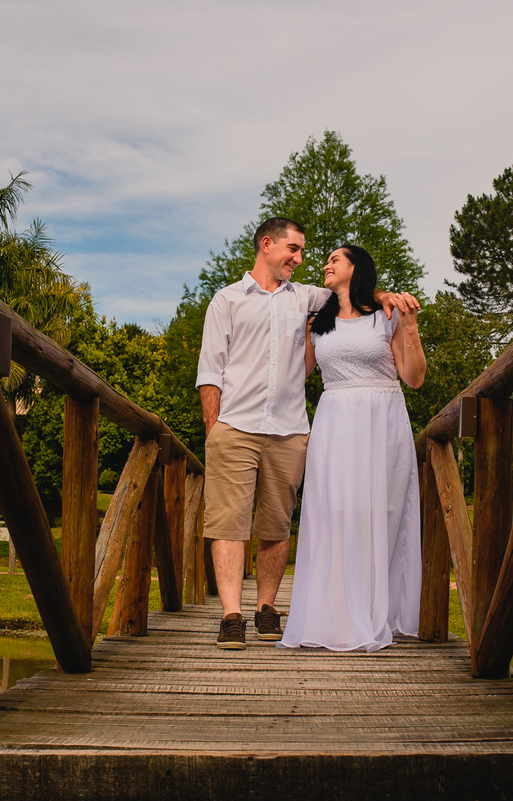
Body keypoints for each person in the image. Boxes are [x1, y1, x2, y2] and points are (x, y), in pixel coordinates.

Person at [196, 218, 417, 649]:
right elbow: (210, 370)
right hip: (235, 425)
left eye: (303, 253)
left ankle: (266, 609)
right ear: (267, 245)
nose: (301, 260)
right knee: (228, 522)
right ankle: (231, 615)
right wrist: (213, 429)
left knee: (277, 524)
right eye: (293, 250)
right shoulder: (226, 300)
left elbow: (353, 293)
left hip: (289, 430)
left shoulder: (307, 298)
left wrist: (384, 295)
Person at [279, 244, 425, 652]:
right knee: (333, 512)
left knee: (379, 512)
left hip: (382, 419)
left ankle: (376, 612)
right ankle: (335, 614)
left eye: (335, 259)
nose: (326, 264)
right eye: (326, 260)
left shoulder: (387, 316)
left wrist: (410, 329)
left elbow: (413, 379)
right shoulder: (316, 323)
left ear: (357, 268)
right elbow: (295, 376)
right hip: (334, 420)